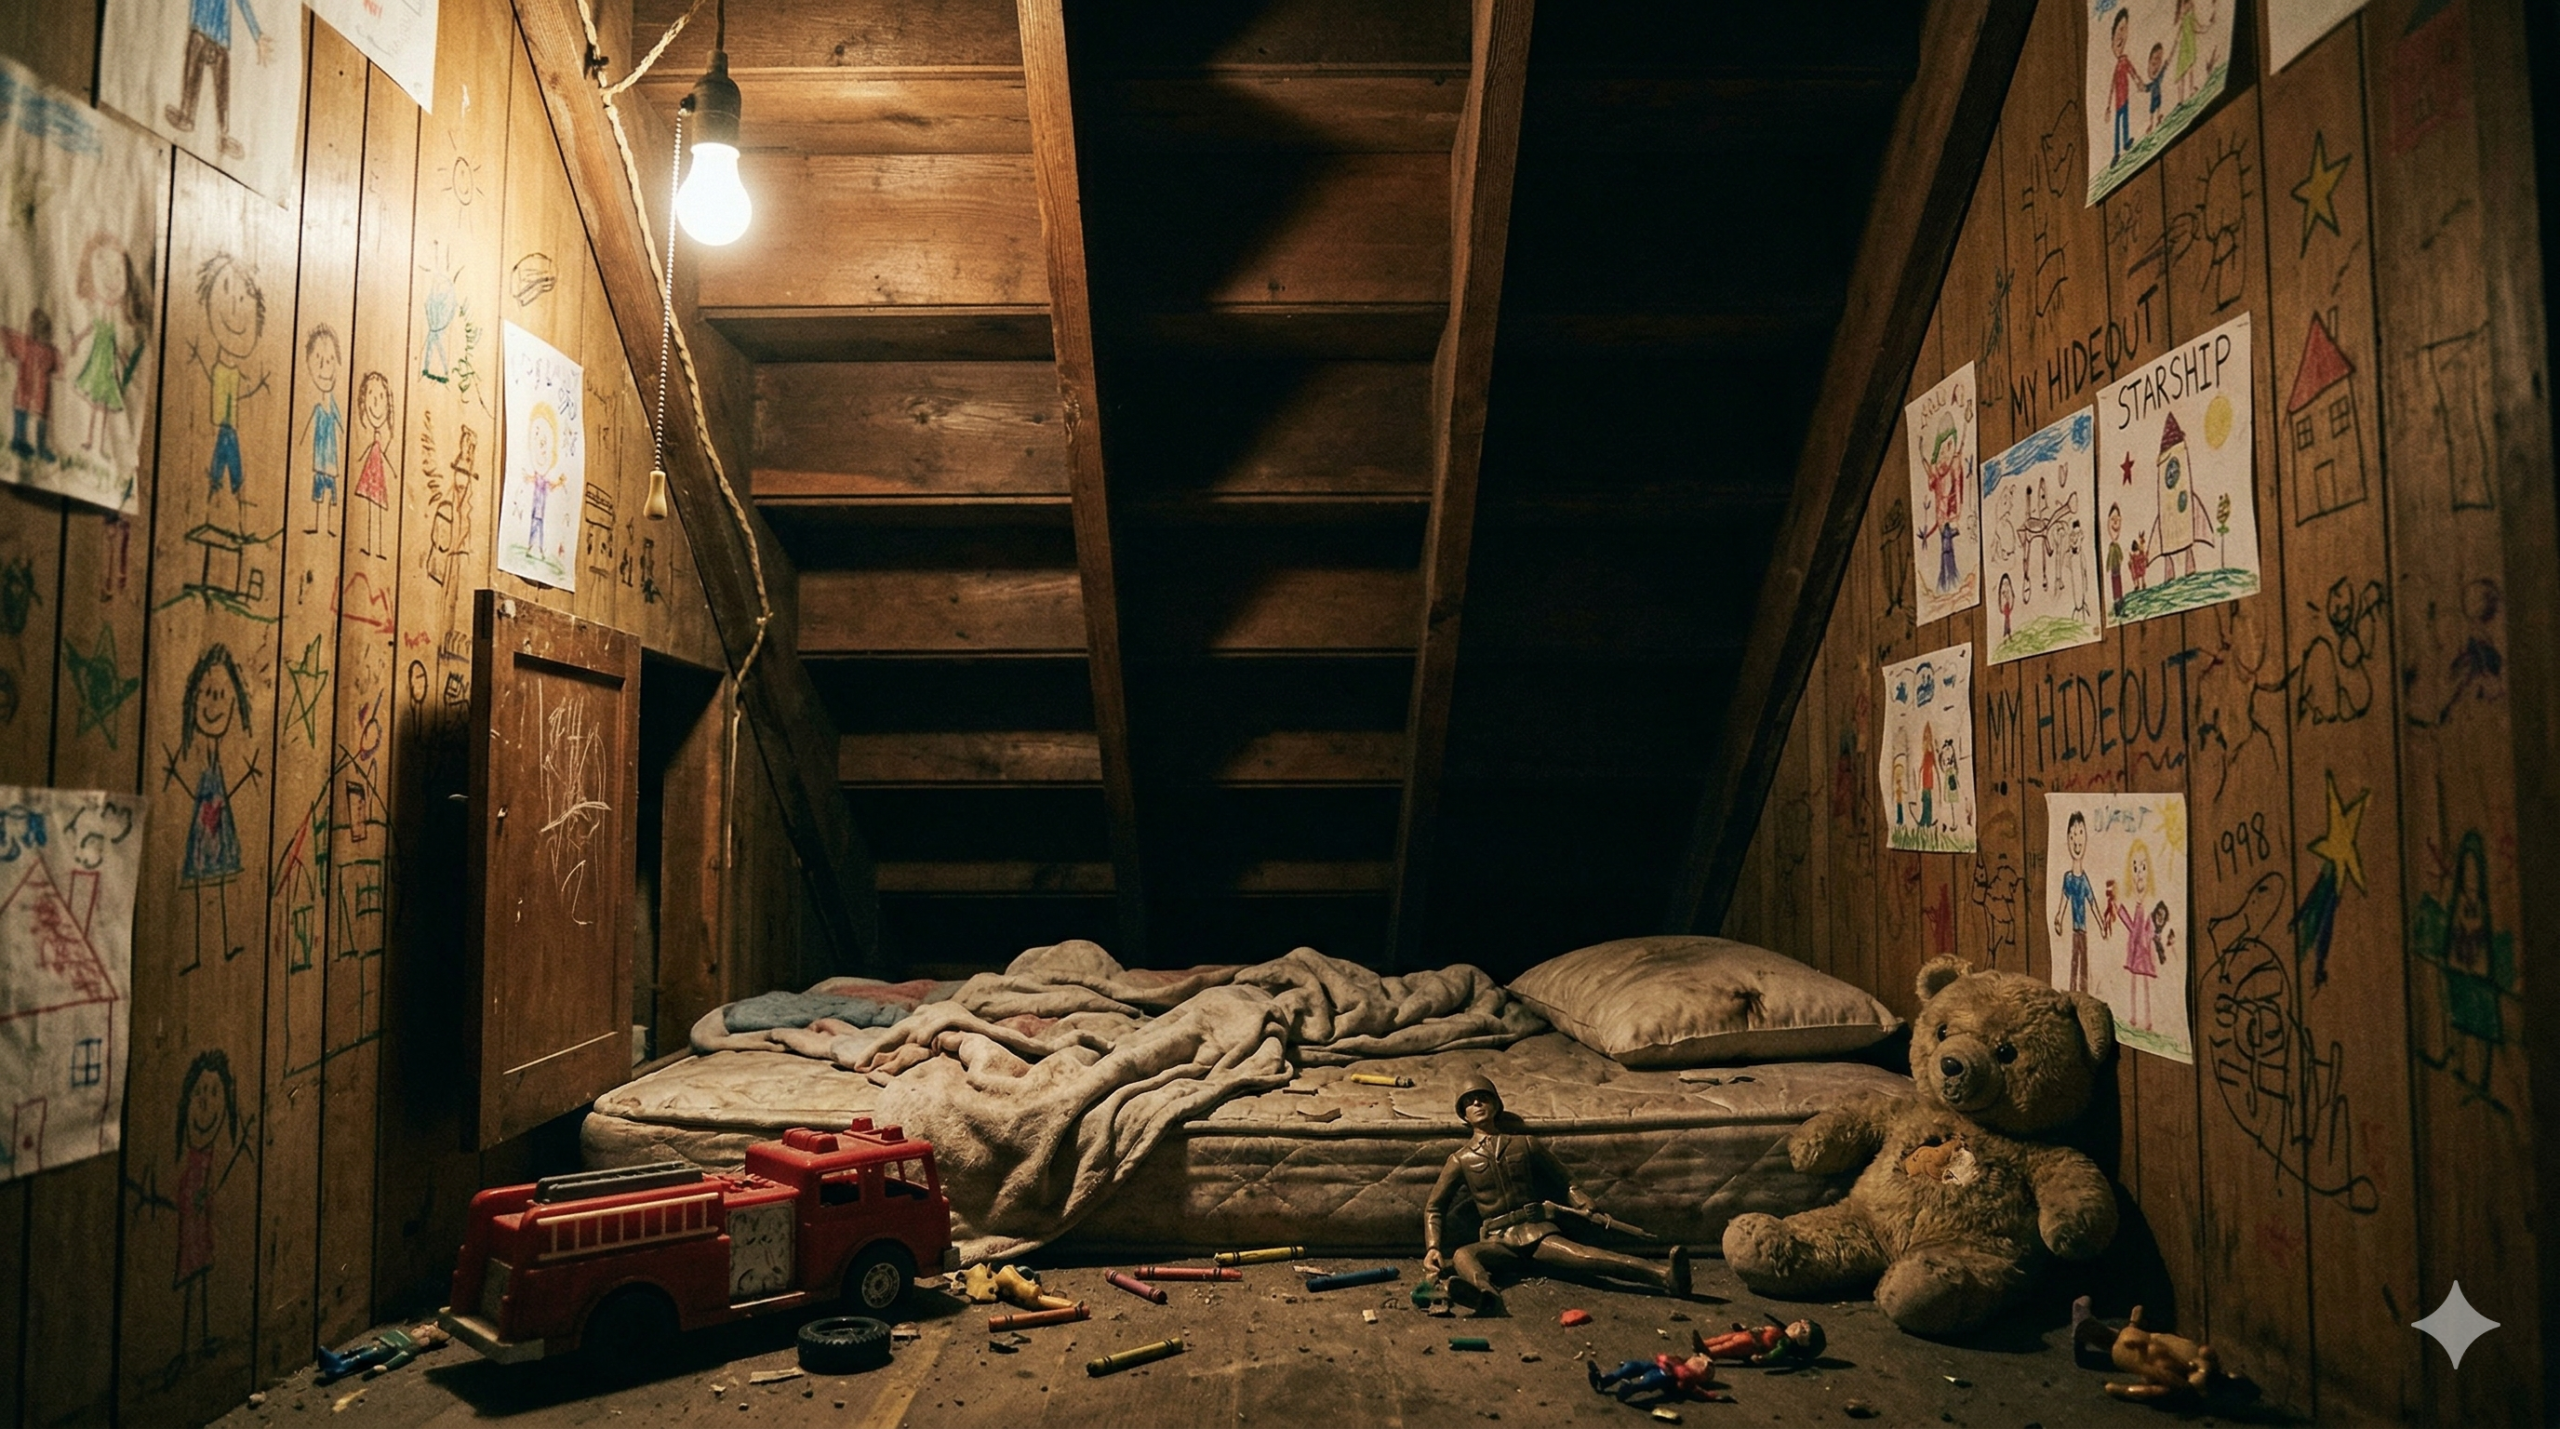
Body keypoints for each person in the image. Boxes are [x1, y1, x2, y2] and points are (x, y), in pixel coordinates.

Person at [1423, 1077, 1690, 1314]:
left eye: (1484, 1097)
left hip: (1536, 1232)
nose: (1478, 1103)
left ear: (1496, 1105)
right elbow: (1434, 1208)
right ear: (1464, 1115)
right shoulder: (1459, 1159)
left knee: (1586, 1257)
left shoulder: (1525, 1143)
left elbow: (1565, 1181)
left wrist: (1582, 1200)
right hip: (1497, 1241)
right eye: (1470, 1102)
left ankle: (1665, 1276)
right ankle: (1486, 1296)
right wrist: (1433, 1247)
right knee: (1462, 1256)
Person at [2052, 811, 2097, 994]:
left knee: (2083, 961)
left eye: (2080, 833)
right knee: (2074, 960)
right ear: (2067, 840)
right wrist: (2058, 917)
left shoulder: (2084, 880)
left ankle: (2083, 993)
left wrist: (2102, 924)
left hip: (2083, 929)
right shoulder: (2068, 878)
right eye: (2072, 835)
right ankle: (2072, 991)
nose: (2076, 840)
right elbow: (2064, 900)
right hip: (2075, 930)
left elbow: (2093, 903)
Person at [1588, 1347, 1721, 1405]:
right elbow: (1661, 1357)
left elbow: (1696, 1391)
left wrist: (1711, 1396)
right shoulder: (1679, 1361)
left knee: (1655, 1379)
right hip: (1657, 1367)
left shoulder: (1688, 1378)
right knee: (1632, 1366)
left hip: (1667, 1377)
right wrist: (1666, 1361)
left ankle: (1631, 1389)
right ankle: (1604, 1380)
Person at [1699, 1318, 1826, 1368]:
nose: (1796, 1325)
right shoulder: (1780, 1332)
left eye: (1803, 1330)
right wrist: (1744, 1328)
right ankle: (1704, 1344)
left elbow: (1776, 1353)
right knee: (1725, 1338)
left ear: (1802, 1343)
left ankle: (1709, 1353)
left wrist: (1764, 1358)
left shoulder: (1784, 1342)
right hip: (1748, 1335)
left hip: (1754, 1344)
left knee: (1730, 1346)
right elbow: (1761, 1330)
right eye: (1800, 1322)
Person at [2107, 9, 2137, 161]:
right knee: (2117, 125)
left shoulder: (2124, 61)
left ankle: (2125, 143)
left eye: (2125, 30)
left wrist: (2140, 83)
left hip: (2125, 98)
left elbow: (2133, 73)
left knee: (2124, 122)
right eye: (2119, 29)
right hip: (2118, 102)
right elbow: (2112, 86)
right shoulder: (2117, 66)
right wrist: (2107, 107)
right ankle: (2116, 152)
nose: (2121, 36)